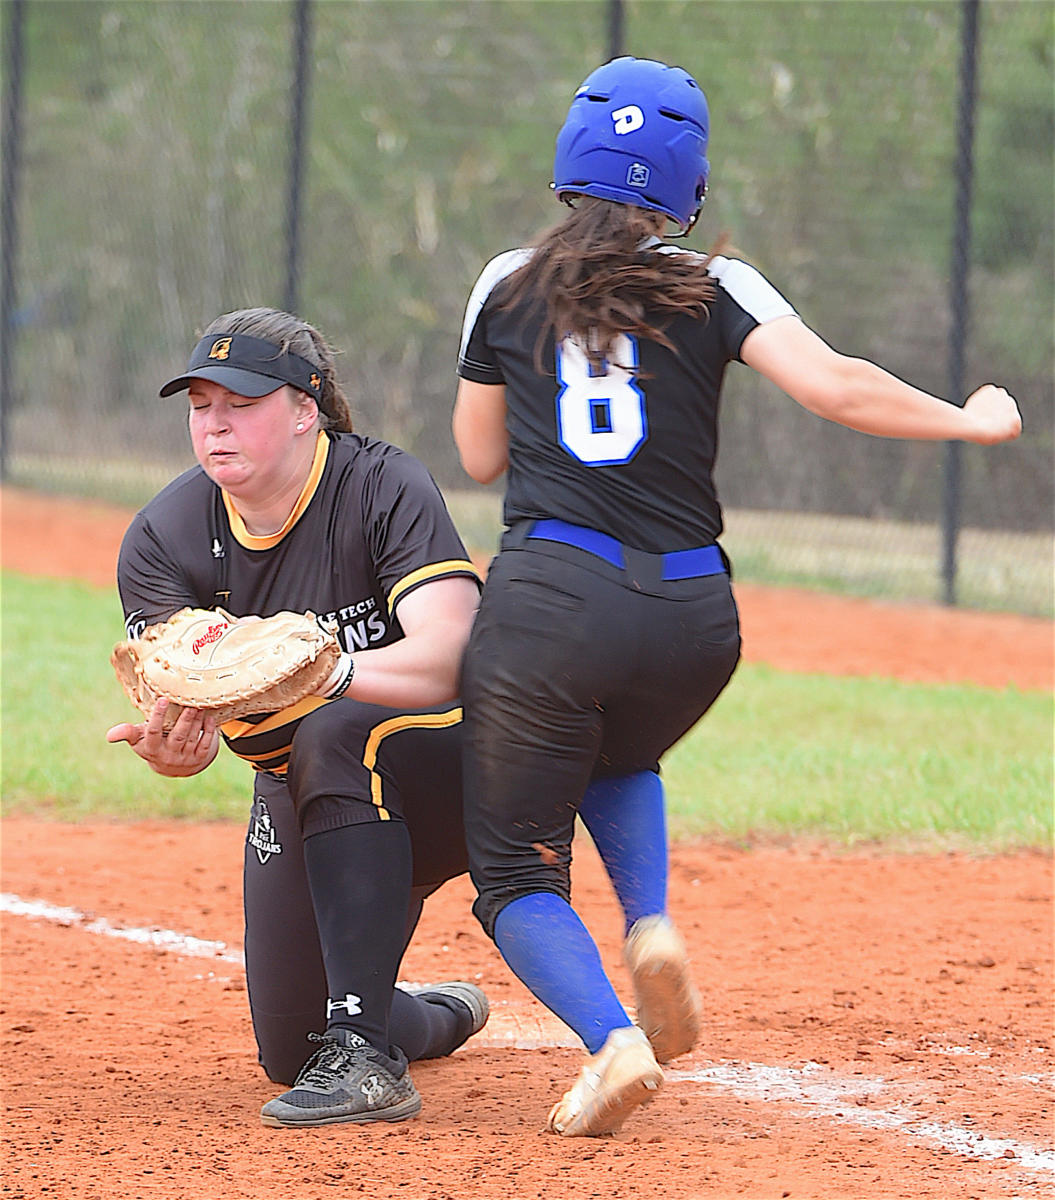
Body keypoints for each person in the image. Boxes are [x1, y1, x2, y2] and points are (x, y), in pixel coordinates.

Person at [452, 56, 1023, 1138]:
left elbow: (477, 457)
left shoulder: (505, 281)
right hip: (691, 618)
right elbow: (835, 385)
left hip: (550, 605)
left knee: (512, 874)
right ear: (688, 187)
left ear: (566, 166)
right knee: (620, 749)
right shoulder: (720, 285)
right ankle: (652, 923)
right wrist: (968, 418)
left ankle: (612, 1041)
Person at [106, 306, 490, 1128]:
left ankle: (371, 1047)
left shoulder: (381, 484)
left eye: (241, 404)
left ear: (305, 409)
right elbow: (184, 707)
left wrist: (325, 668)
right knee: (289, 1050)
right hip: (298, 786)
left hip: (441, 769)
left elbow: (454, 655)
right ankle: (434, 1014)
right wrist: (177, 749)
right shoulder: (163, 536)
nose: (216, 426)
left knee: (328, 724)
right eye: (201, 406)